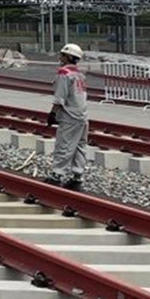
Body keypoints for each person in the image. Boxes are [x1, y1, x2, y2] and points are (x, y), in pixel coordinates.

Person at [46, 43, 88, 190]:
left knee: (64, 145)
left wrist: (52, 113)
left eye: (62, 55)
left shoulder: (64, 73)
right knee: (79, 147)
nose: (60, 57)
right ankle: (77, 177)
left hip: (69, 116)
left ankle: (57, 175)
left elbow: (60, 97)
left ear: (68, 57)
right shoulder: (80, 75)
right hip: (82, 116)